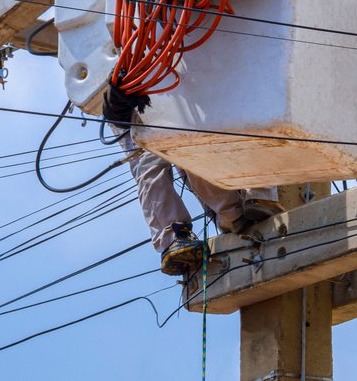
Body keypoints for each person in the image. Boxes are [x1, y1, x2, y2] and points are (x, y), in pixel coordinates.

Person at [104, 86, 282, 277]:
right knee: (188, 142)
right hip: (150, 93)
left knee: (174, 150)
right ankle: (250, 200)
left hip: (146, 92)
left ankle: (180, 235)